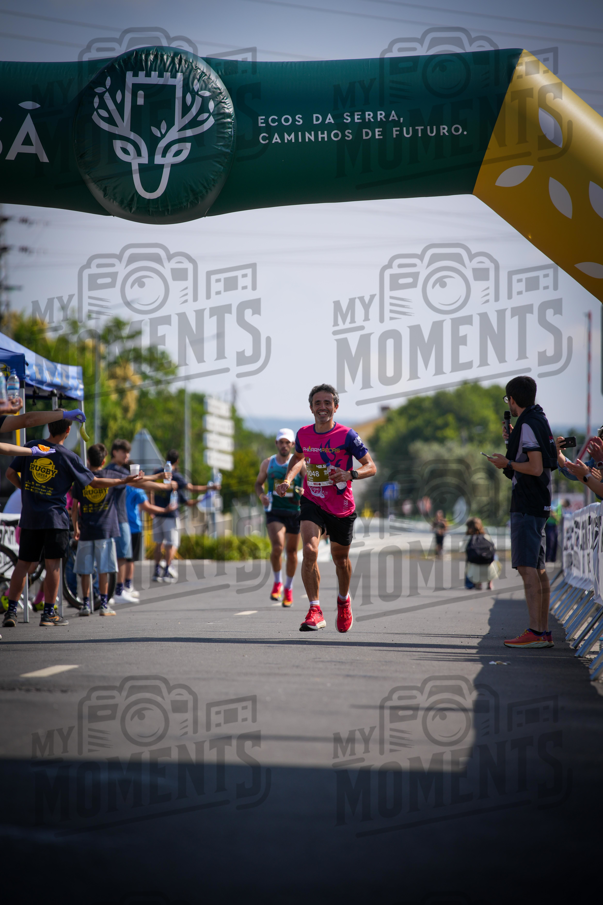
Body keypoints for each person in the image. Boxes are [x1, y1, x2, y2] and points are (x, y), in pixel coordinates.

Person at [1, 419, 142, 628]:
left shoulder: (31, 447)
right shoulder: (69, 457)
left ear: (48, 427)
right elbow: (94, 482)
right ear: (68, 431)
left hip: (31, 517)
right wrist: (124, 481)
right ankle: (48, 613)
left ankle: (11, 611)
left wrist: (25, 490)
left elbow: (10, 473)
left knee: (22, 565)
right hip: (55, 518)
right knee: (53, 566)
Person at [275, 383, 376, 633]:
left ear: (335, 407)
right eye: (318, 403)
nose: (323, 407)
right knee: (309, 550)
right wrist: (288, 480)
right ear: (311, 408)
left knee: (340, 560)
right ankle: (315, 609)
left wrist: (349, 474)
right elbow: (298, 459)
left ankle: (343, 601)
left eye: (327, 403)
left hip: (341, 505)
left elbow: (371, 466)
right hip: (312, 500)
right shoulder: (304, 434)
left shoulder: (347, 436)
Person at [488, 376, 558, 649]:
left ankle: (536, 632)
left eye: (509, 400)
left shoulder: (528, 425)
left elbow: (536, 467)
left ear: (513, 400)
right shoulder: (538, 419)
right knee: (538, 569)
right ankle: (543, 631)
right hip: (539, 503)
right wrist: (513, 442)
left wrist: (508, 462)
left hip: (527, 504)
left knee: (528, 568)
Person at [71, 443, 147, 616]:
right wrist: (161, 477)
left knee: (85, 570)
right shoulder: (111, 476)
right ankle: (104, 604)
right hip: (105, 531)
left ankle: (85, 604)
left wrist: (76, 527)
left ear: (88, 459)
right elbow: (135, 480)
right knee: (104, 569)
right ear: (104, 460)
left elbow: (75, 507)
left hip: (86, 531)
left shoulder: (81, 478)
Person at [255, 428, 305, 606]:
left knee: (291, 553)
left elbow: (309, 484)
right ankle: (277, 582)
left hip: (295, 512)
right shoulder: (268, 463)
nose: (284, 446)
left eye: (287, 442)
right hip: (275, 511)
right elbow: (258, 484)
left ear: (293, 444)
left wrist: (303, 492)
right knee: (278, 547)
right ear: (276, 444)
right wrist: (262, 496)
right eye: (281, 442)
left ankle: (289, 588)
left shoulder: (300, 463)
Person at [150, 449, 214, 582]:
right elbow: (191, 488)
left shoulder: (157, 472)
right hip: (170, 515)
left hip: (157, 513)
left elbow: (151, 489)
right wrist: (210, 489)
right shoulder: (176, 476)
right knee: (172, 543)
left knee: (158, 543)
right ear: (177, 461)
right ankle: (167, 570)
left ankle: (156, 570)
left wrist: (152, 507)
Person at [125, 483, 177, 594]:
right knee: (130, 559)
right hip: (133, 527)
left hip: (118, 526)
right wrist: (165, 510)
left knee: (121, 559)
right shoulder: (136, 489)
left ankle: (157, 570)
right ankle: (127, 586)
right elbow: (147, 506)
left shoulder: (116, 486)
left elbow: (151, 490)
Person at [464, 517, 500, 591]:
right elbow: (494, 549)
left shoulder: (468, 539)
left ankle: (477, 583)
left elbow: (463, 550)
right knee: (495, 557)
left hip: (474, 571)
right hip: (490, 571)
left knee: (469, 559)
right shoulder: (487, 537)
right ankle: (490, 582)